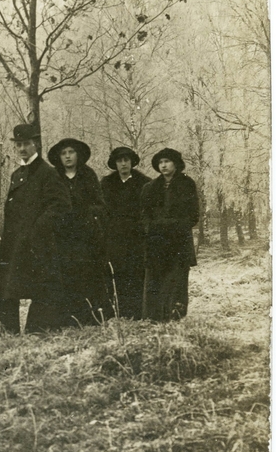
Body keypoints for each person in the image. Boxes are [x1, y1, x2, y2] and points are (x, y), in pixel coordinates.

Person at [0, 123, 71, 334]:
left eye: (26, 144)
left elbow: (60, 205)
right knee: (7, 286)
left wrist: (38, 229)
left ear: (35, 144)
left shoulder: (48, 173)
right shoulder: (17, 173)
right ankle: (9, 331)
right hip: (14, 241)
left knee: (43, 287)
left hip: (39, 243)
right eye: (18, 145)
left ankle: (38, 330)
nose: (21, 149)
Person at [47, 137, 108, 326]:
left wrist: (86, 215)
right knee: (64, 275)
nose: (67, 157)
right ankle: (66, 318)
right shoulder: (54, 176)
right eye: (63, 153)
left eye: (71, 152)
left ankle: (88, 317)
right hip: (61, 235)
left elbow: (99, 204)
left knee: (86, 274)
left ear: (78, 155)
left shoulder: (88, 175)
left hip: (85, 236)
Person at [141, 148, 199, 322]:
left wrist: (174, 226)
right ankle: (154, 318)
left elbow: (193, 215)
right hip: (156, 242)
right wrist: (151, 228)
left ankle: (175, 316)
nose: (163, 165)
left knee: (177, 280)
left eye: (167, 161)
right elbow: (144, 215)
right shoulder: (150, 187)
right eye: (160, 162)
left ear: (176, 164)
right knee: (155, 280)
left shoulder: (187, 184)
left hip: (178, 242)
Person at [101, 146, 150, 319]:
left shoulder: (144, 183)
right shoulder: (106, 184)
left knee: (136, 274)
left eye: (126, 160)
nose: (123, 164)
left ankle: (137, 313)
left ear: (132, 162)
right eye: (120, 161)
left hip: (137, 238)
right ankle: (119, 312)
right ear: (115, 164)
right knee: (118, 274)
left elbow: (149, 210)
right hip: (114, 237)